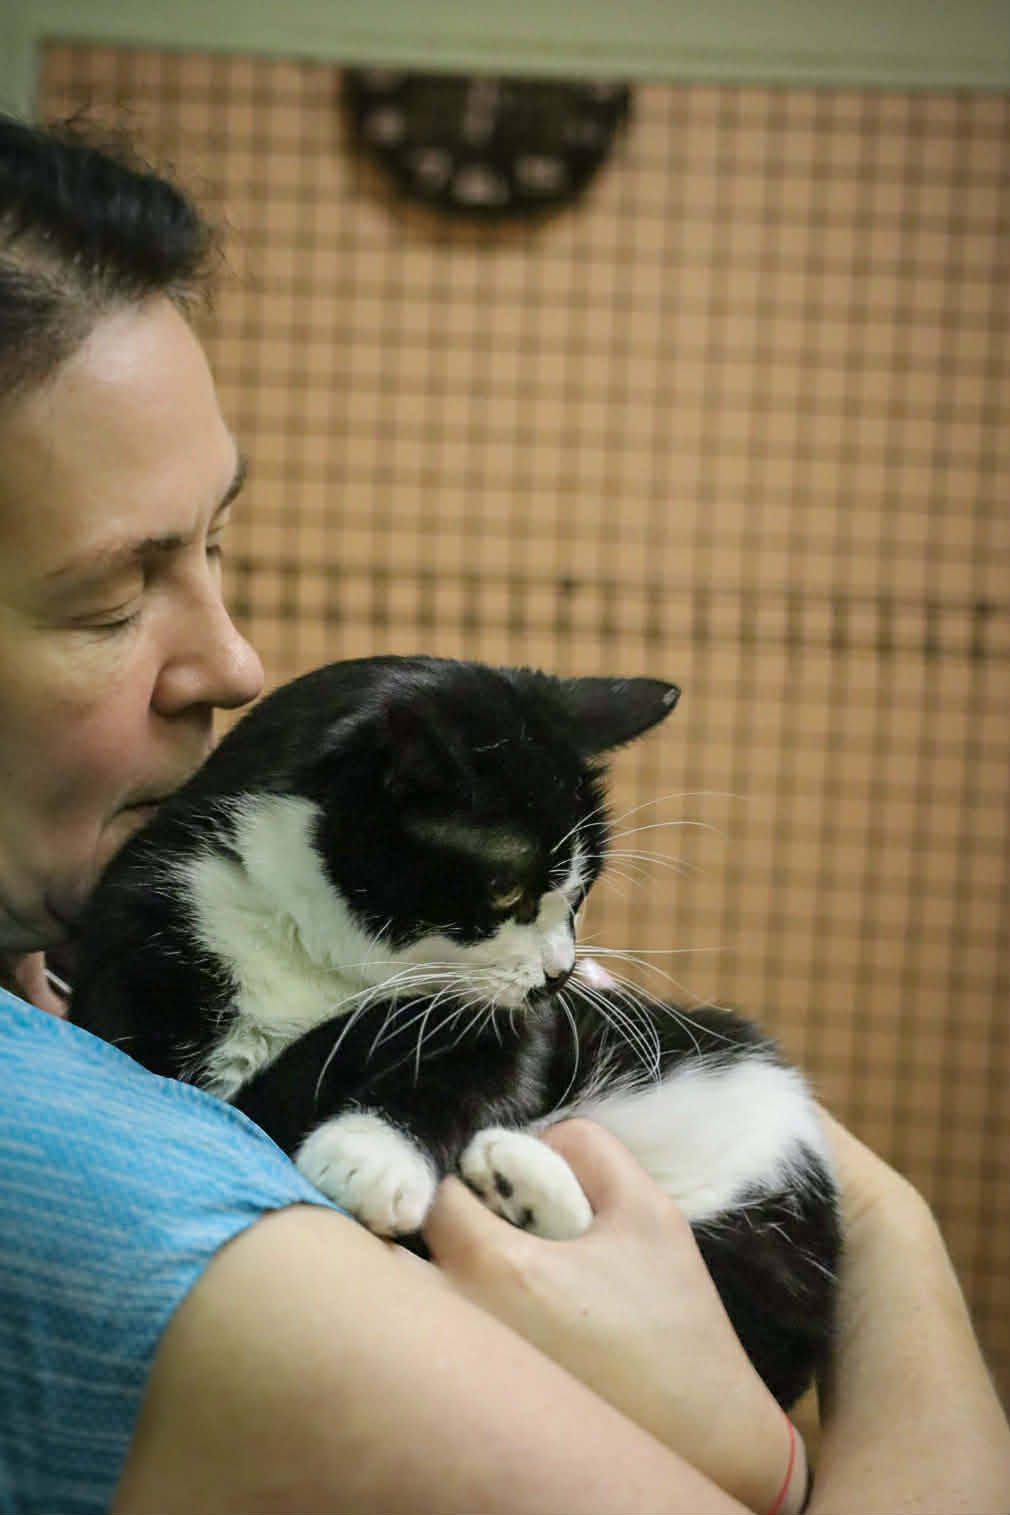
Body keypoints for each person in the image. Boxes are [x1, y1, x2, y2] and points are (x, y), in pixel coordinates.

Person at [0, 111, 1007, 1515]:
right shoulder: (100, 1187)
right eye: (117, 593)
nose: (235, 663)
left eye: (220, 543)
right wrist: (852, 1294)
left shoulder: (72, 992)